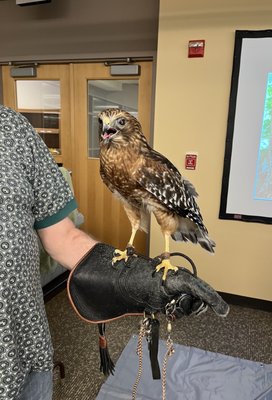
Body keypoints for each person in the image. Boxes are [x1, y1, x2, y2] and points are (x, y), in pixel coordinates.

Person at [0, 104, 228, 400]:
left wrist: (131, 276)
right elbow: (131, 208)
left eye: (117, 123)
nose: (107, 129)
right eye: (105, 124)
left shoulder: (13, 129)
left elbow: (62, 236)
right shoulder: (107, 162)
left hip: (26, 347)